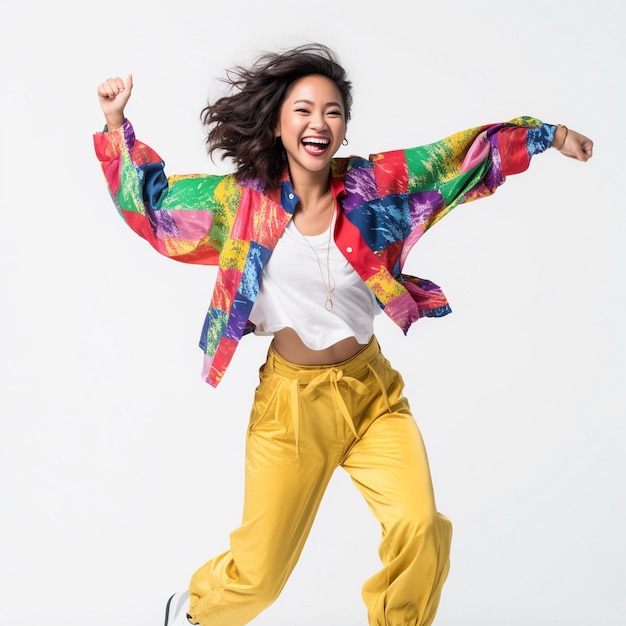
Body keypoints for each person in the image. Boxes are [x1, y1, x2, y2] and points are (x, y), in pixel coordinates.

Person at [94, 43, 593, 626]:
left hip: (372, 394)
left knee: (420, 527)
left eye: (332, 111)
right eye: (303, 110)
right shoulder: (241, 203)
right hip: (292, 409)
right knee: (258, 579)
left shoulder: (373, 186)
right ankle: (193, 610)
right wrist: (115, 126)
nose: (318, 123)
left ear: (345, 126)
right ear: (278, 123)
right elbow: (155, 211)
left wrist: (548, 135)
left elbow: (455, 160)